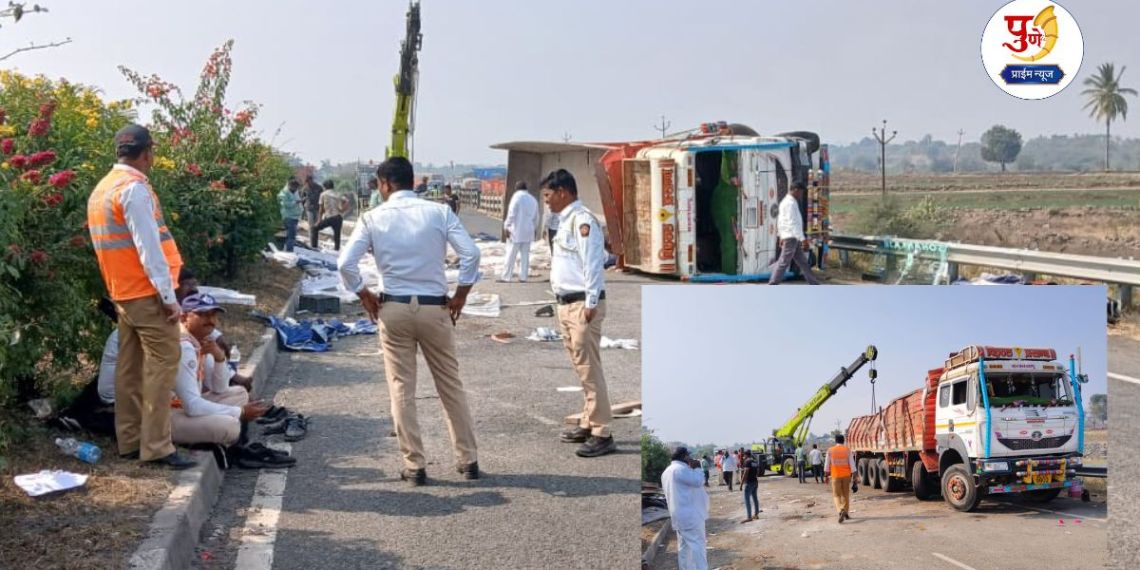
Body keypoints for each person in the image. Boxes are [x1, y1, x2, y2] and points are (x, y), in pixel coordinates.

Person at [338, 156, 481, 485]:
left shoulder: (373, 217)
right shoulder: (439, 212)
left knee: (402, 387)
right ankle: (468, 459)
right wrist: (461, 294)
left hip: (394, 308)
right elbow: (471, 254)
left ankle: (414, 465)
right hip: (435, 307)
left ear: (386, 184)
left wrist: (364, 294)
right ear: (412, 180)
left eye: (380, 184)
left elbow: (345, 264)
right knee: (450, 384)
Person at [86, 124, 195, 469]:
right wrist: (168, 297)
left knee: (129, 368)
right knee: (163, 365)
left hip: (122, 293)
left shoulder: (102, 189)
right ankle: (158, 446)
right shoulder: (134, 190)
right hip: (147, 293)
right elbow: (150, 250)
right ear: (147, 153)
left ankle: (130, 440)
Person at [172, 293, 294, 469]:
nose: (210, 320)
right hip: (165, 418)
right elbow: (192, 406)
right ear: (184, 317)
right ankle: (236, 452)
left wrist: (219, 357)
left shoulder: (200, 340)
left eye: (213, 315)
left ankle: (235, 449)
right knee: (231, 426)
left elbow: (219, 388)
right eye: (203, 315)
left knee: (239, 393)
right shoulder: (183, 346)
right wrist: (240, 413)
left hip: (182, 408)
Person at [544, 169, 616, 458]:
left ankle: (602, 431)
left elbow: (592, 263)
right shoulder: (564, 221)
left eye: (548, 195)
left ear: (563, 192)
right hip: (566, 304)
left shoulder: (582, 221)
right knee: (580, 366)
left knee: (589, 368)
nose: (546, 200)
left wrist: (591, 302)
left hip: (581, 305)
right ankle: (589, 420)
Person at [661, 446, 709, 570]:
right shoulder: (680, 470)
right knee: (698, 547)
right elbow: (699, 481)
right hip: (690, 517)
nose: (690, 458)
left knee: (684, 548)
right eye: (688, 455)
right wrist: (697, 468)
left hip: (679, 516)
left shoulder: (667, 471)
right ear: (684, 457)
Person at [769, 181, 821, 285]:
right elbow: (793, 223)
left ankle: (814, 283)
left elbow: (781, 221)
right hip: (791, 237)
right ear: (796, 190)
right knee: (784, 262)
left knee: (802, 262)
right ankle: (773, 283)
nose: (801, 195)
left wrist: (781, 236)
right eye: (800, 192)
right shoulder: (790, 203)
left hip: (790, 236)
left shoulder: (786, 202)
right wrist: (803, 239)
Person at [500, 181, 538, 283]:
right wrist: (534, 229)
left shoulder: (516, 197)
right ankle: (523, 277)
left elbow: (511, 214)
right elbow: (536, 217)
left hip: (516, 230)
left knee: (511, 254)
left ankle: (506, 276)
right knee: (525, 255)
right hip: (528, 231)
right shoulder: (533, 199)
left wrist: (507, 226)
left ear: (516, 188)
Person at [710, 152, 740, 274]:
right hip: (725, 208)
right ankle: (730, 273)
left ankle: (731, 272)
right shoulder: (726, 194)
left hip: (726, 206)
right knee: (729, 242)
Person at [824, 434, 858, 523]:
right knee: (845, 495)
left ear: (835, 441)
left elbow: (827, 465)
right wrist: (855, 478)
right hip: (846, 476)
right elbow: (853, 465)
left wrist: (826, 476)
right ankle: (845, 512)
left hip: (835, 476)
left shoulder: (830, 450)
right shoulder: (847, 450)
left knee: (836, 495)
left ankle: (840, 510)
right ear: (843, 441)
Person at [311, 180, 349, 251]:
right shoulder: (337, 194)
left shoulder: (323, 194)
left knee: (314, 229)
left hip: (330, 217)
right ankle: (336, 250)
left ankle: (314, 247)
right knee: (337, 235)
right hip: (338, 217)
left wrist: (319, 220)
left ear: (325, 187)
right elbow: (347, 201)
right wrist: (342, 210)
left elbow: (321, 209)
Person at [278, 177, 302, 252]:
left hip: (294, 217)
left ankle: (287, 250)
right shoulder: (284, 193)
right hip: (289, 217)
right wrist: (296, 202)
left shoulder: (293, 192)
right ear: (290, 186)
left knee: (290, 235)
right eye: (295, 188)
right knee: (291, 236)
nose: (296, 189)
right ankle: (289, 251)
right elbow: (286, 204)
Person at [740, 450, 761, 522]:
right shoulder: (754, 461)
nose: (744, 457)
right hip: (755, 482)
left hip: (749, 483)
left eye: (744, 455)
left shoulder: (747, 462)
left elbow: (745, 473)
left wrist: (741, 484)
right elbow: (757, 472)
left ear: (746, 455)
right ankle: (756, 514)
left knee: (747, 500)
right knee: (755, 498)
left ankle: (749, 517)